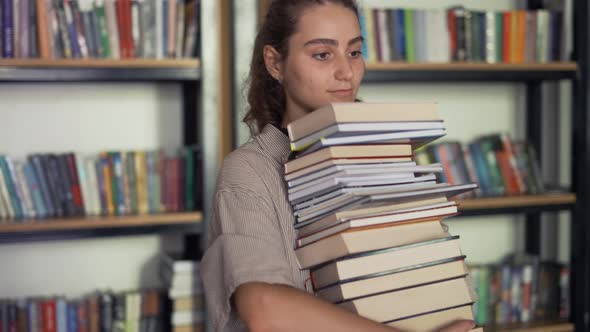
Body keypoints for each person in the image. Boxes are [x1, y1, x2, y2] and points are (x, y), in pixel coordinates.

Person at [200, 1, 476, 331]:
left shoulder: (386, 154)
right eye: (322, 54)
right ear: (275, 62)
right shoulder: (249, 171)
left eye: (355, 52)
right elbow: (265, 309)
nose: (346, 72)